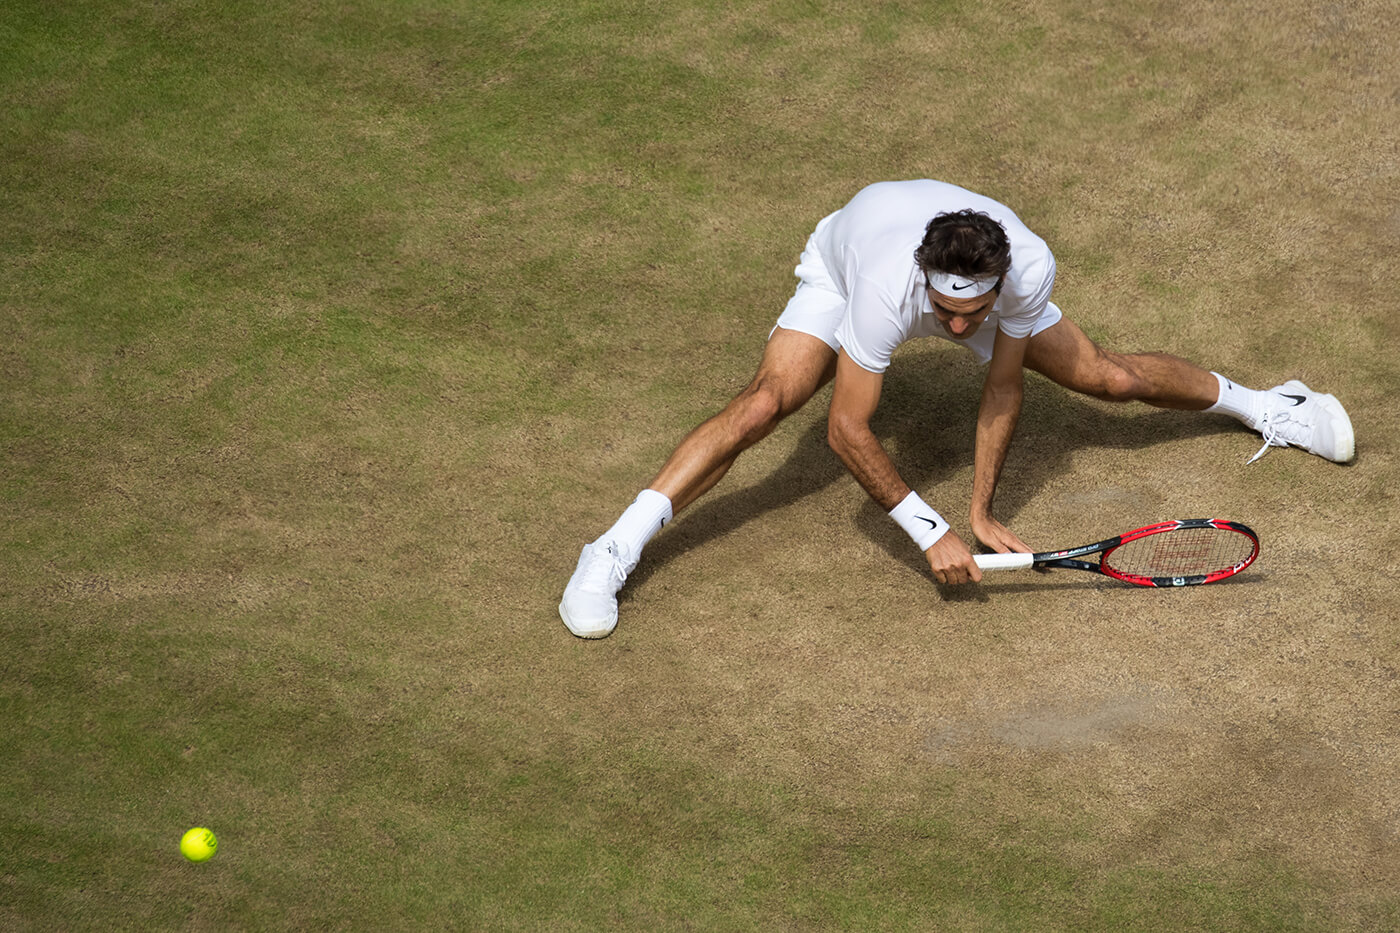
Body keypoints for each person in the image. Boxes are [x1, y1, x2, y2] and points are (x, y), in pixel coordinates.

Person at [558, 179, 1355, 638]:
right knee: (769, 401)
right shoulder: (879, 290)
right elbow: (846, 427)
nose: (958, 330)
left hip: (952, 265)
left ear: (1001, 282)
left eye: (975, 315)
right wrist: (930, 529)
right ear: (925, 281)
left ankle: (1269, 405)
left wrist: (978, 507)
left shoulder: (1027, 269)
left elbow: (1003, 386)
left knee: (1108, 378)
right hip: (845, 261)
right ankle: (613, 546)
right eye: (946, 313)